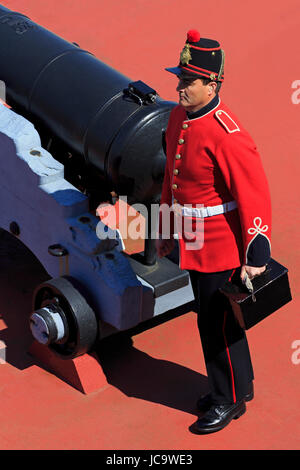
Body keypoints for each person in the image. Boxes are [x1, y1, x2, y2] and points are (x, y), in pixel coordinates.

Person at [156, 30, 272, 434]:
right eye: (180, 79)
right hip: (192, 237)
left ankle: (227, 400)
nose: (180, 87)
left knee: (218, 322)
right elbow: (172, 178)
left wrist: (254, 257)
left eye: (189, 81)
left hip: (221, 244)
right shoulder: (177, 117)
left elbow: (253, 194)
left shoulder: (227, 133)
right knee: (214, 318)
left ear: (212, 84)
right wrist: (167, 228)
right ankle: (237, 387)